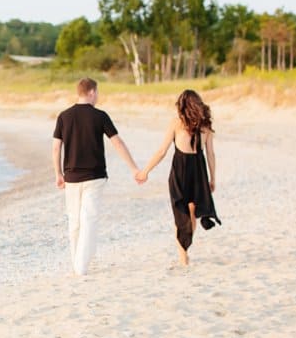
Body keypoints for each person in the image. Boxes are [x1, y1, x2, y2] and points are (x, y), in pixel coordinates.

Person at [52, 78, 143, 275]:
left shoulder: (64, 116)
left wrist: (58, 173)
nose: (98, 96)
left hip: (71, 177)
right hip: (95, 177)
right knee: (89, 220)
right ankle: (81, 266)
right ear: (92, 92)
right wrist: (134, 169)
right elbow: (118, 143)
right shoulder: (100, 116)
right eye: (97, 92)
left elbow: (56, 147)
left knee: (74, 221)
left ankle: (78, 264)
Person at [136, 89, 220, 266]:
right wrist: (212, 178)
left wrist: (145, 171)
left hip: (181, 171)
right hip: (199, 171)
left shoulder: (176, 123)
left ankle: (183, 255)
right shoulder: (206, 126)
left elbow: (161, 151)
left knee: (180, 214)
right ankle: (185, 251)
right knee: (192, 212)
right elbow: (211, 155)